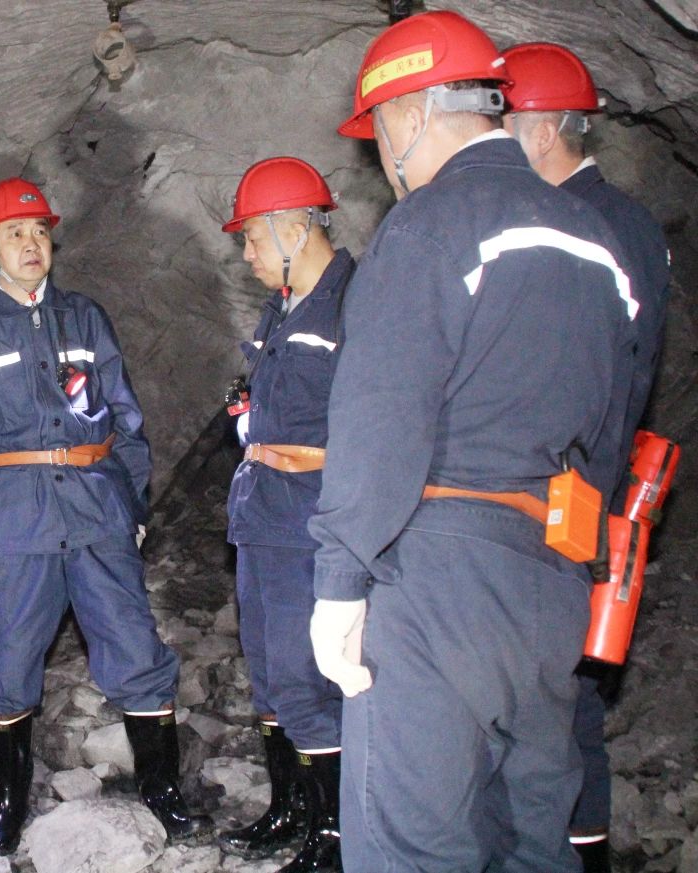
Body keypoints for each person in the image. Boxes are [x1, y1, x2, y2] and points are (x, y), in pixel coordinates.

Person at [308, 11, 637, 871]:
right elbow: (608, 431)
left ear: (409, 114)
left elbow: (381, 414)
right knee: (531, 837)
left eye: (380, 135)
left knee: (415, 842)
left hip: (435, 578)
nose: (385, 159)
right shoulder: (597, 241)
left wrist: (340, 579)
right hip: (549, 583)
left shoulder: (428, 225)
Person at [0, 177, 213, 856]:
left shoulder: (85, 318)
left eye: (40, 232)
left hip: (95, 506)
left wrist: (131, 504)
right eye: (14, 234)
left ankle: (162, 791)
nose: (31, 243)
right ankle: (9, 803)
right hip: (17, 514)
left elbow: (127, 420)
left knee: (136, 648)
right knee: (8, 661)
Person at [501, 41, 672, 873]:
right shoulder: (602, 220)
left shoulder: (596, 226)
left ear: (541, 133)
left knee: (564, 709)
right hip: (561, 494)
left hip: (570, 501)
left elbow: (599, 382)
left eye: (502, 125)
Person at [215, 157, 353, 871]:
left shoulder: (354, 303)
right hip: (264, 515)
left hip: (312, 521)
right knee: (268, 671)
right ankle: (289, 808)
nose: (247, 254)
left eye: (251, 238)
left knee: (306, 677)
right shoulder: (284, 305)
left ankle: (334, 833)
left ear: (295, 228)